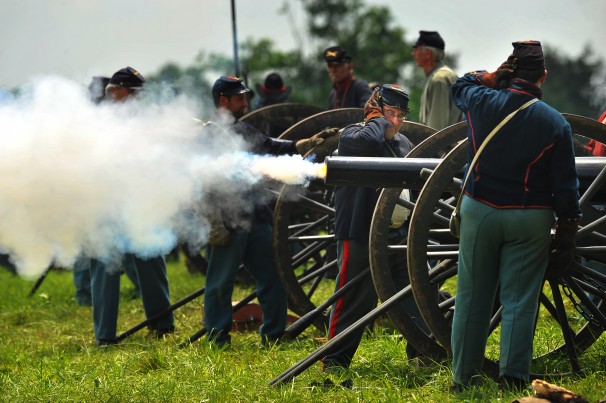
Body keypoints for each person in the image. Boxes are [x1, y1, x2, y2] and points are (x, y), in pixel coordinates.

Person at [450, 41, 581, 391]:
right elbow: (565, 188)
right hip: (530, 217)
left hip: (481, 211)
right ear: (543, 76)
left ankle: (463, 378)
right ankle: (513, 379)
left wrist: (488, 76)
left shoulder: (479, 100)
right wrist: (567, 231)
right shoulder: (555, 123)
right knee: (520, 300)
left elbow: (460, 85)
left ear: (509, 71)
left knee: (471, 297)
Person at [203, 76, 334, 346]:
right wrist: (213, 220)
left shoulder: (244, 130)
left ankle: (274, 334)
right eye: (239, 98)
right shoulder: (208, 136)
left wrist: (307, 143)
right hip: (228, 220)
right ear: (223, 101)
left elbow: (273, 148)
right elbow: (202, 182)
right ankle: (217, 338)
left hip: (256, 217)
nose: (245, 102)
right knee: (220, 284)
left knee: (273, 277)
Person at [318, 84, 427, 385]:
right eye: (390, 114)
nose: (395, 122)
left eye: (400, 116)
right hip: (360, 233)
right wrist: (377, 120)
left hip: (397, 233)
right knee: (353, 298)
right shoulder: (354, 135)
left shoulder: (403, 143)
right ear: (374, 111)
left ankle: (423, 354)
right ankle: (334, 362)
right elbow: (367, 141)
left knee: (412, 293)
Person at [90, 66, 174, 345]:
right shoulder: (93, 121)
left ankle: (162, 324)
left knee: (152, 259)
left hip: (138, 198)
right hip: (105, 202)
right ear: (114, 92)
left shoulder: (140, 121)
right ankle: (105, 335)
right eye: (133, 93)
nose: (138, 99)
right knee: (106, 268)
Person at [411, 31, 461, 130]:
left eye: (417, 49)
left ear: (428, 53)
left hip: (444, 145)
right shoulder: (446, 75)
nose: (413, 54)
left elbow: (435, 132)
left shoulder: (438, 79)